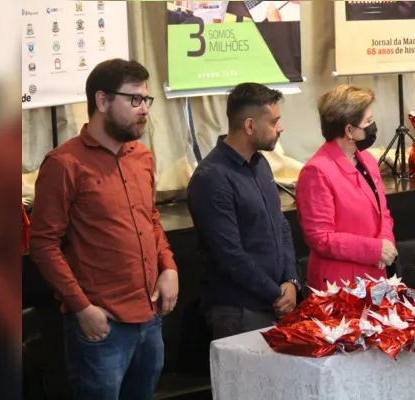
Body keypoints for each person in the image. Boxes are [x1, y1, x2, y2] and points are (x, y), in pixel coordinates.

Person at [30, 59, 178, 400]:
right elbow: (43, 244)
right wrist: (82, 308)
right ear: (102, 102)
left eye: (146, 100)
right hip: (101, 327)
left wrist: (168, 266)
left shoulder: (142, 156)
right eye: (135, 100)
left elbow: (150, 219)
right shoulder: (64, 164)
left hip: (150, 318)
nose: (144, 110)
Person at [187, 83, 300, 340]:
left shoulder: (260, 164)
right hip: (239, 311)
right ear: (249, 126)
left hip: (275, 303)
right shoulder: (212, 178)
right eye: (274, 122)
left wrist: (292, 282)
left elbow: (280, 225)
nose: (280, 128)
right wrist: (277, 295)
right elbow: (228, 255)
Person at [295, 85, 397, 289]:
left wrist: (385, 242)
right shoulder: (317, 171)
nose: (373, 126)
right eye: (367, 121)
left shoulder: (367, 160)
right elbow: (320, 237)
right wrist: (375, 249)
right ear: (349, 130)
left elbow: (382, 213)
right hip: (340, 283)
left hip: (376, 275)